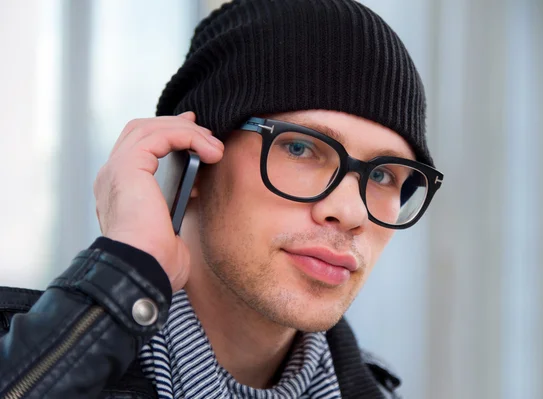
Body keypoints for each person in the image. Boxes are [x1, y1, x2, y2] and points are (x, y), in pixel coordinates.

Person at [0, 0, 443, 398]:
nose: (351, 212)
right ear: (190, 159)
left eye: (383, 174)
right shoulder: (30, 355)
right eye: (300, 148)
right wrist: (123, 277)